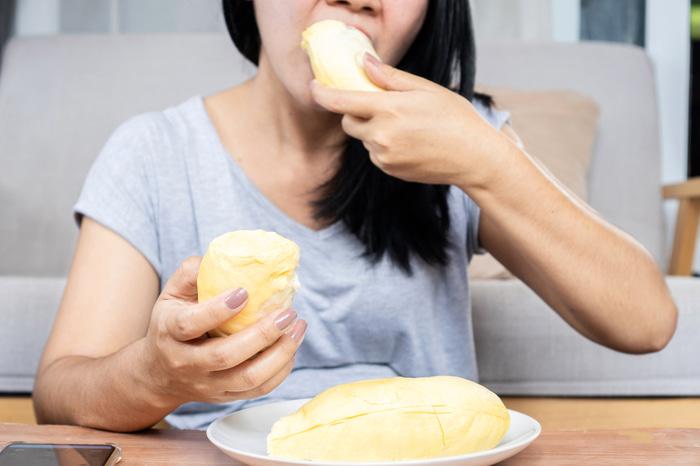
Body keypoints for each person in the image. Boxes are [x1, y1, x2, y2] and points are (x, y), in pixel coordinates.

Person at [33, 0, 677, 432]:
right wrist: (155, 372)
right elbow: (59, 392)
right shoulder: (154, 152)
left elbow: (646, 323)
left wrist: (492, 160)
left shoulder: (463, 145)